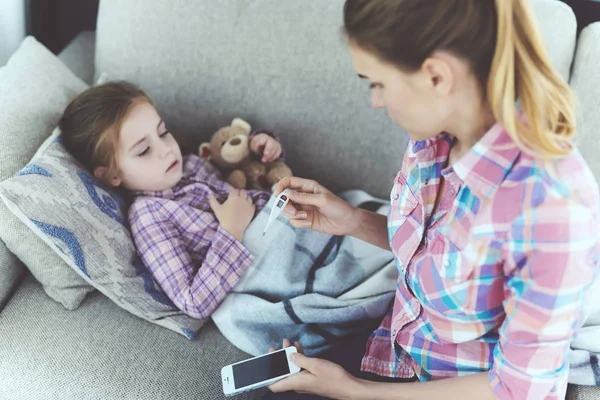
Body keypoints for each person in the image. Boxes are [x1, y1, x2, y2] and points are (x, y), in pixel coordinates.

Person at [267, 0, 600, 399]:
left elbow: (516, 390)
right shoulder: (434, 137)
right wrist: (351, 219)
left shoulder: (550, 209)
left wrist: (353, 390)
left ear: (436, 76)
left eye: (377, 83)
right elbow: (439, 258)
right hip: (399, 356)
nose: (375, 100)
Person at [59, 81, 283, 320]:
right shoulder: (149, 216)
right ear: (112, 174)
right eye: (144, 150)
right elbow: (193, 301)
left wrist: (263, 151)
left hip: (290, 220)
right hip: (274, 267)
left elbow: (242, 175)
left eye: (163, 132)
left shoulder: (191, 164)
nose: (166, 149)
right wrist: (232, 230)